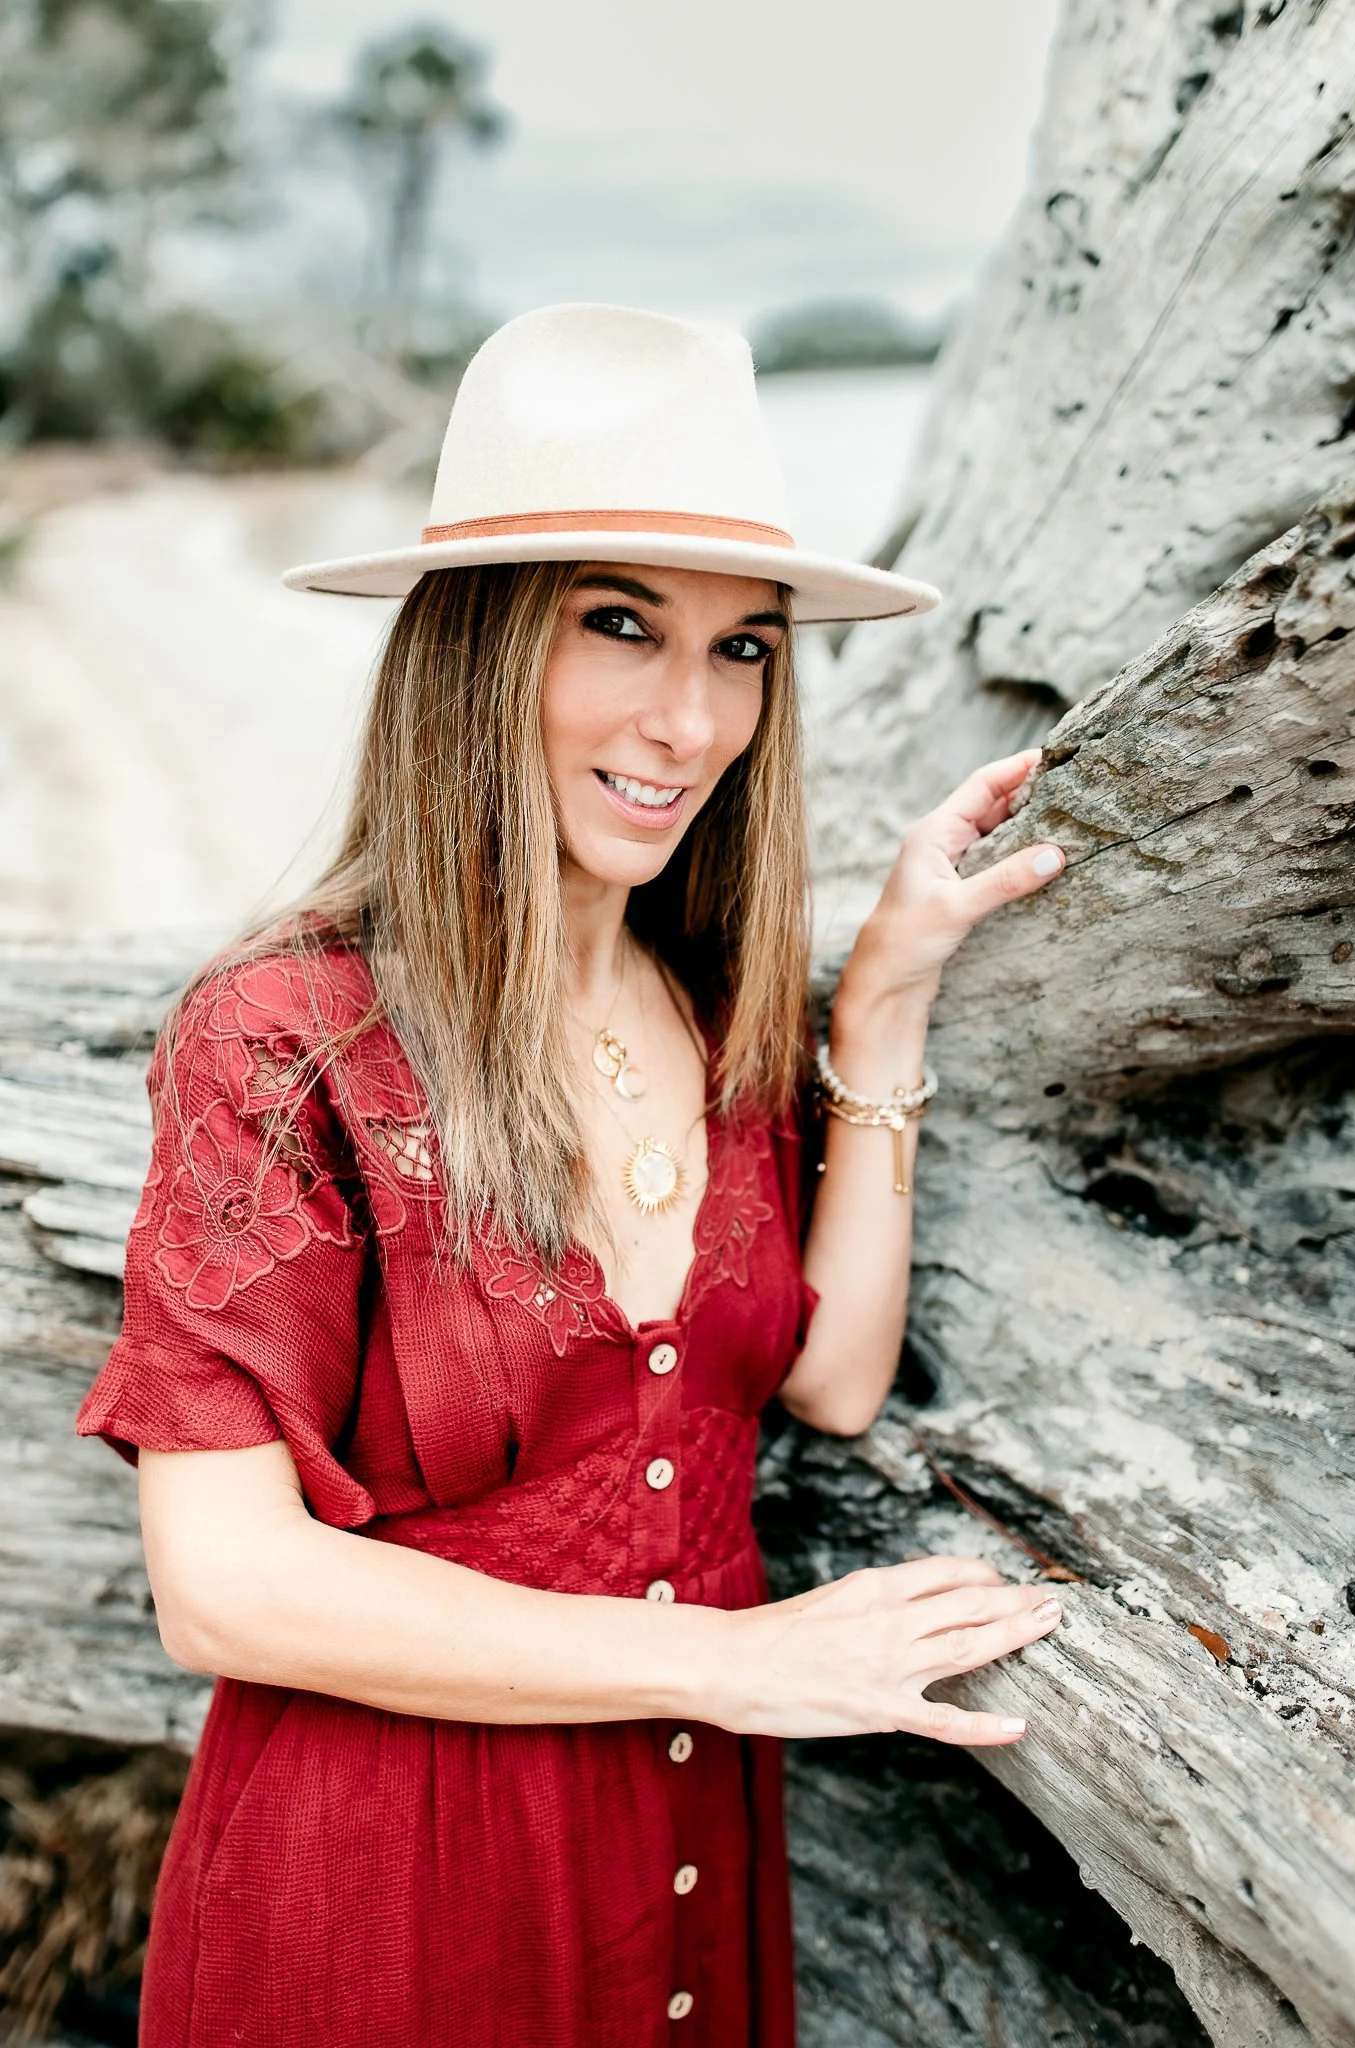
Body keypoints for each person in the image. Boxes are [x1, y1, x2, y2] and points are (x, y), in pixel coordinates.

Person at [77, 303, 1067, 2048]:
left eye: (745, 649)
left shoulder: (706, 1009)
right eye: (622, 627)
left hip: (676, 1871)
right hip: (384, 1911)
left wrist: (893, 993)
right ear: (477, 649)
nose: (690, 721)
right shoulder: (286, 1039)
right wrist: (746, 1665)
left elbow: (826, 1376)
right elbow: (219, 1586)